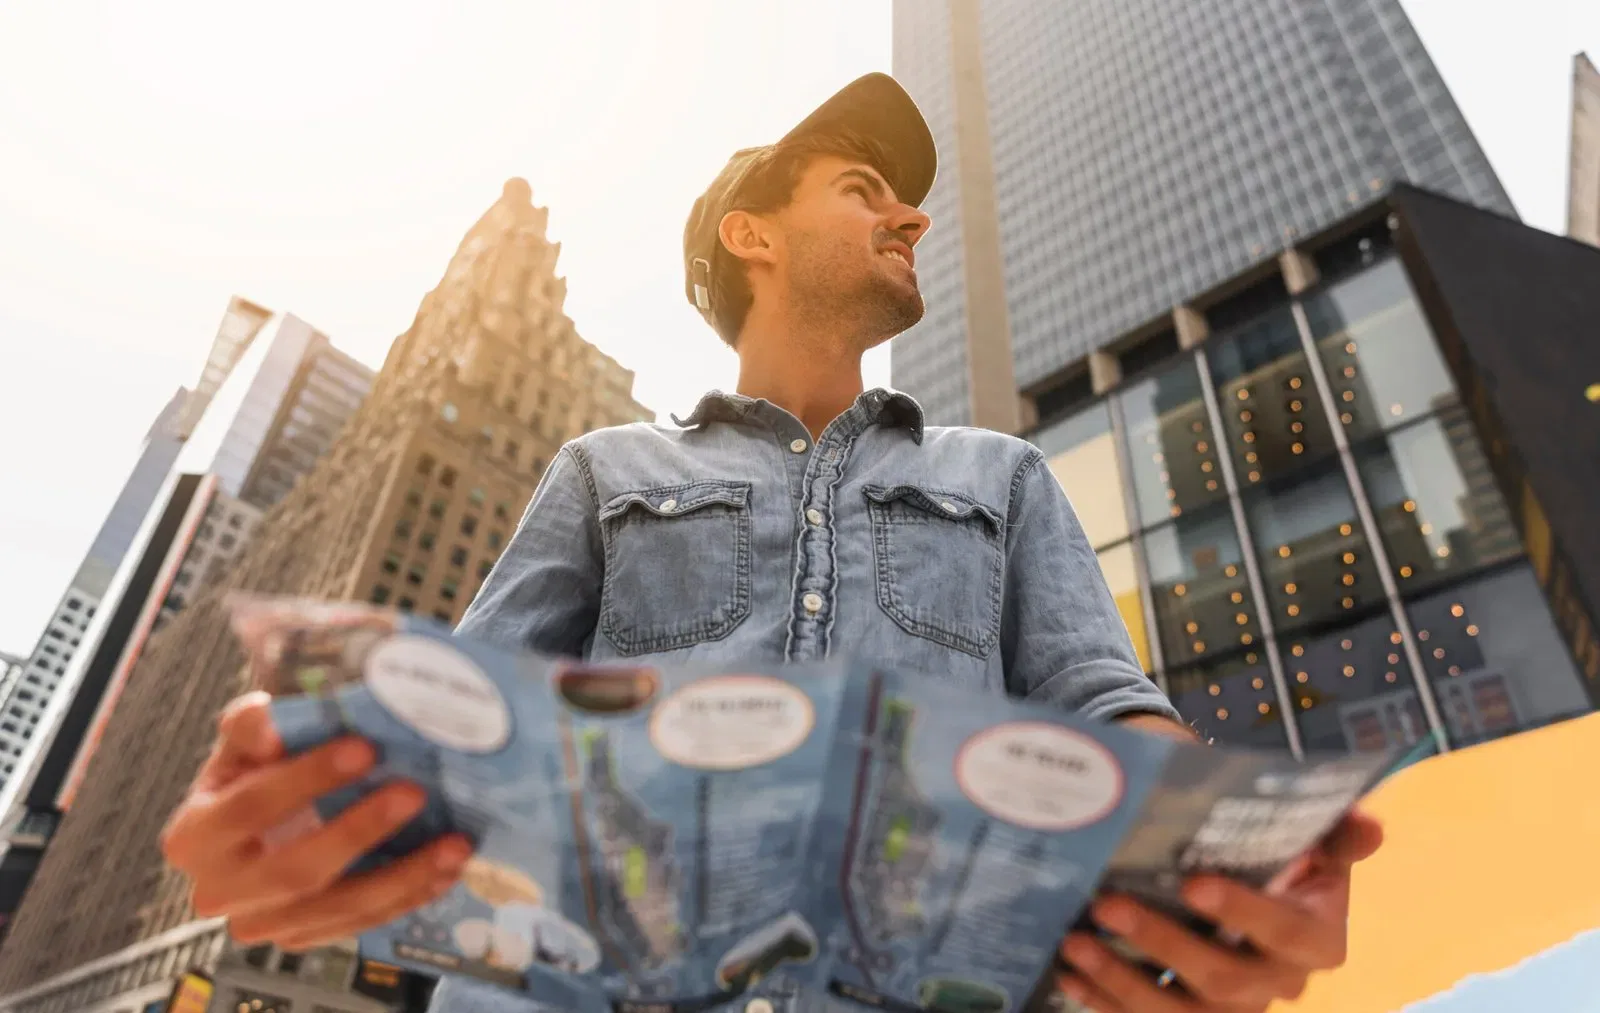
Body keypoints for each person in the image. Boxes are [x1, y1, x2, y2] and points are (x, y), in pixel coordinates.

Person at [162, 74, 1382, 1013]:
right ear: (754, 236)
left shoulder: (999, 474)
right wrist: (298, 793)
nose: (910, 213)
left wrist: (1228, 870)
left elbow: (1106, 706)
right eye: (862, 187)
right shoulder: (604, 468)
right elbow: (455, 723)